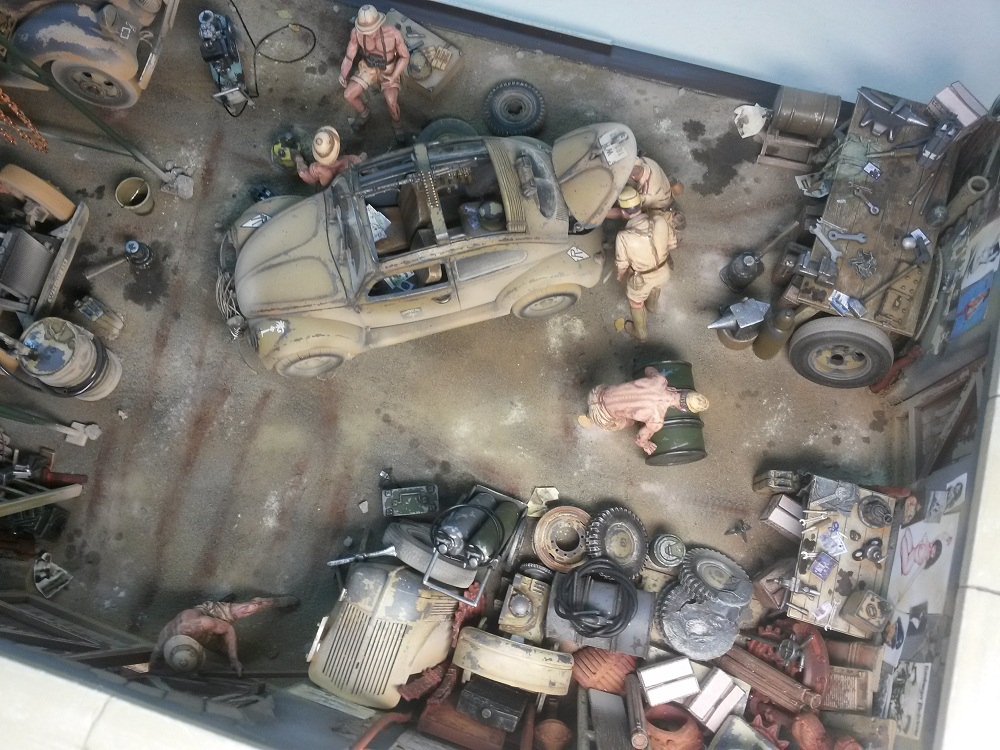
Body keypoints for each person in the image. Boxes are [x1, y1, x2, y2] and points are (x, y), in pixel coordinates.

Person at [148, 596, 298, 677]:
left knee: (249, 608)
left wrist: (234, 659)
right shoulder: (166, 636)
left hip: (210, 614)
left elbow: (228, 629)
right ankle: (230, 656)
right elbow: (155, 660)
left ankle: (276, 601)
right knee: (228, 654)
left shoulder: (199, 624)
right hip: (202, 636)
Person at [578, 366, 709, 455]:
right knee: (629, 422)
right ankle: (590, 417)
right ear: (682, 408)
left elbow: (648, 369)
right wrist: (645, 445)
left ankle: (591, 414)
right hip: (602, 416)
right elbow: (639, 438)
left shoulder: (660, 380)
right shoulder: (656, 420)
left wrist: (656, 375)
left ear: (683, 391)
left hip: (597, 393)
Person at [613, 187, 678, 341]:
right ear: (640, 205)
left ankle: (640, 333)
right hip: (663, 271)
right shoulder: (660, 221)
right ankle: (652, 307)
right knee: (656, 288)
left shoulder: (623, 237)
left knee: (635, 302)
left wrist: (620, 276)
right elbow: (672, 244)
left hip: (642, 279)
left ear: (623, 212)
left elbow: (622, 264)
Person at [338, 5, 409, 137]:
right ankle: (364, 113)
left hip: (388, 68)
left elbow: (405, 57)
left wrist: (394, 76)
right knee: (348, 94)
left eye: (372, 29)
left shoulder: (393, 34)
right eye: (366, 30)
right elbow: (349, 56)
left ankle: (397, 123)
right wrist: (343, 72)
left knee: (391, 102)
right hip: (368, 66)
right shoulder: (356, 33)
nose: (369, 33)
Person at [607, 156, 685, 227]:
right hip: (664, 189)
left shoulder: (647, 196)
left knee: (631, 212)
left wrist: (603, 213)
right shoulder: (648, 163)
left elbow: (630, 211)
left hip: (661, 203)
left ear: (633, 177)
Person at [294, 126, 366, 188]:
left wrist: (299, 160)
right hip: (342, 185)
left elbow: (304, 175)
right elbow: (363, 157)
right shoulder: (351, 161)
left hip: (323, 187)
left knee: (303, 173)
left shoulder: (315, 168)